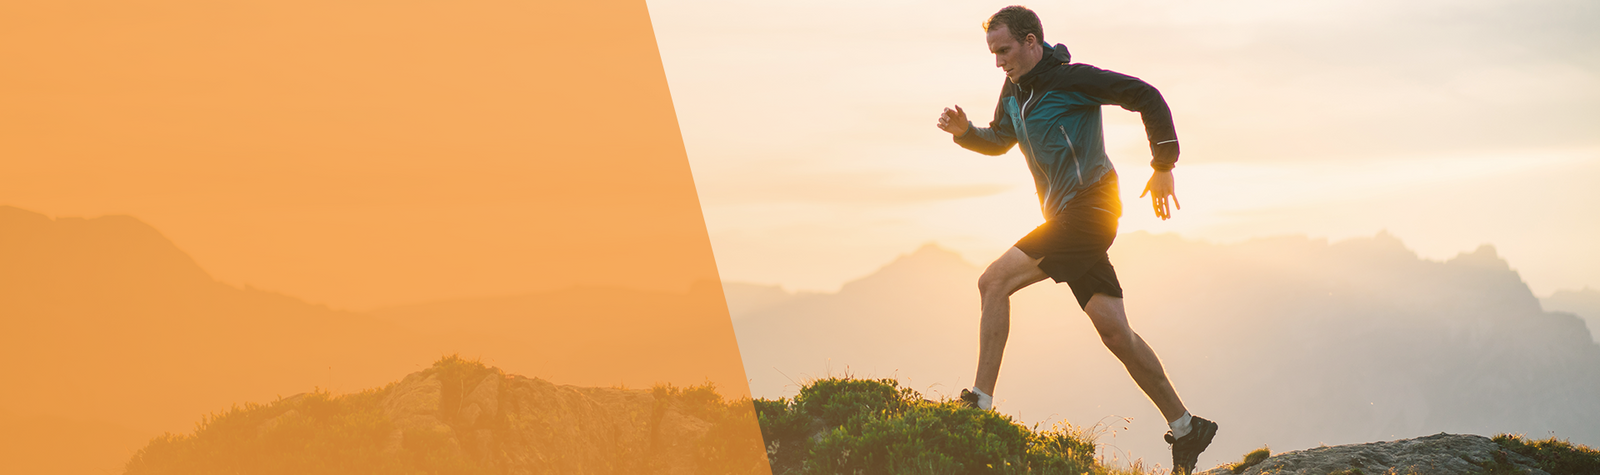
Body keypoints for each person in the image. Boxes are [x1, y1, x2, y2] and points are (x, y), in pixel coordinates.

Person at [935, 6, 1216, 474]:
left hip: (1091, 210)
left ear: (1031, 42)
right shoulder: (1014, 91)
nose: (998, 61)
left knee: (993, 282)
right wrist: (967, 134)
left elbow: (1145, 95)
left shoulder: (1072, 79)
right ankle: (1188, 426)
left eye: (1003, 50)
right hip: (1065, 215)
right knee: (1114, 330)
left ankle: (978, 405)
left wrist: (1163, 165)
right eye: (992, 53)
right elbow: (1002, 138)